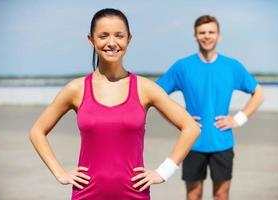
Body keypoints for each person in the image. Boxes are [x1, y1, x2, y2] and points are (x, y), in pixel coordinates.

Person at [29, 8, 200, 200]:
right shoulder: (76, 89)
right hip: (86, 194)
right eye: (103, 36)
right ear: (91, 40)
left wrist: (163, 172)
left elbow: (191, 127)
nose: (112, 43)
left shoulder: (145, 88)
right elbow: (37, 131)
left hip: (134, 194)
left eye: (119, 35)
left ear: (129, 39)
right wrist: (60, 173)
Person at [156, 15, 264, 200]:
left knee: (222, 194)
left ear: (219, 35)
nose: (207, 36)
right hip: (192, 142)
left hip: (222, 142)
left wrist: (238, 119)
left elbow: (258, 93)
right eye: (202, 32)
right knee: (193, 194)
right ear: (195, 36)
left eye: (211, 32)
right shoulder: (183, 66)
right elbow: (157, 95)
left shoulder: (232, 66)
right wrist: (179, 119)